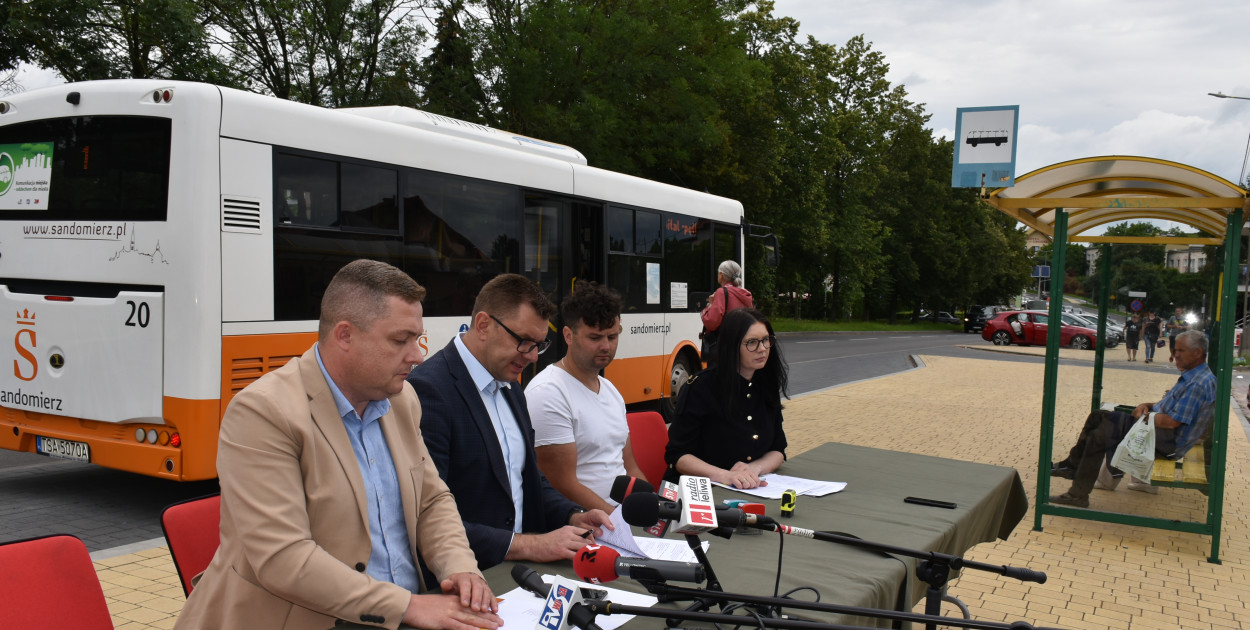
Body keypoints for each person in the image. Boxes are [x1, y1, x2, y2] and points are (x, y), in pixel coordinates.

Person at [175, 260, 501, 630]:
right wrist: (409, 607)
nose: (417, 355)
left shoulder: (401, 398)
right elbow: (284, 559)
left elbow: (431, 500)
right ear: (345, 336)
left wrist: (459, 566)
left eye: (417, 338)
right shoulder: (263, 411)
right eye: (400, 340)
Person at [408, 273, 613, 570]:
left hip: (520, 569)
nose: (532, 357)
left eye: (539, 345)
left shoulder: (510, 385)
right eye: (524, 342)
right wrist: (530, 544)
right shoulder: (428, 391)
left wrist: (572, 515)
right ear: (483, 325)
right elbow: (426, 518)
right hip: (465, 575)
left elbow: (526, 478)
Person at [1050, 330, 1216, 508]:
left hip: (1168, 442)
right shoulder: (1195, 376)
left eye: (1181, 350)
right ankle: (1073, 470)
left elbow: (1172, 422)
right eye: (1175, 350)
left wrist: (1145, 416)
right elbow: (1169, 407)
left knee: (1101, 431)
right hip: (1161, 434)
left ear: (1198, 352)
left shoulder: (1197, 383)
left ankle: (1077, 487)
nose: (1176, 355)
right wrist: (1148, 405)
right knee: (1098, 417)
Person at [527, 281, 647, 512]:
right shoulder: (547, 393)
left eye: (612, 337)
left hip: (619, 517)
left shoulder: (611, 390)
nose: (606, 346)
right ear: (568, 336)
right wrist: (621, 527)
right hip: (584, 525)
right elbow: (561, 486)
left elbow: (629, 468)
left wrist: (652, 513)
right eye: (594, 338)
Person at [665, 308, 789, 488]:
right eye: (752, 342)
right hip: (697, 493)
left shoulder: (765, 385)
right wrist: (726, 476)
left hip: (747, 490)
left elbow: (778, 450)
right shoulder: (700, 388)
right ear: (732, 346)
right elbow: (678, 456)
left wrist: (754, 468)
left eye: (766, 340)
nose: (762, 349)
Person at [700, 260, 753, 367]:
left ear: (722, 275)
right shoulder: (746, 294)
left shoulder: (721, 292)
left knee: (719, 379)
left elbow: (711, 322)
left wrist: (708, 306)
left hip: (723, 347)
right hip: (741, 345)